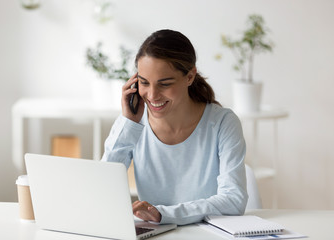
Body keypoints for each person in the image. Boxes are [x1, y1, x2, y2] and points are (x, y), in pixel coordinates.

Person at [102, 29, 248, 225]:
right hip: (156, 234)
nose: (152, 95)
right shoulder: (133, 124)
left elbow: (233, 200)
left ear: (189, 77)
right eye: (144, 83)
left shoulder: (223, 122)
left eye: (164, 84)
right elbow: (102, 186)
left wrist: (163, 214)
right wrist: (128, 124)